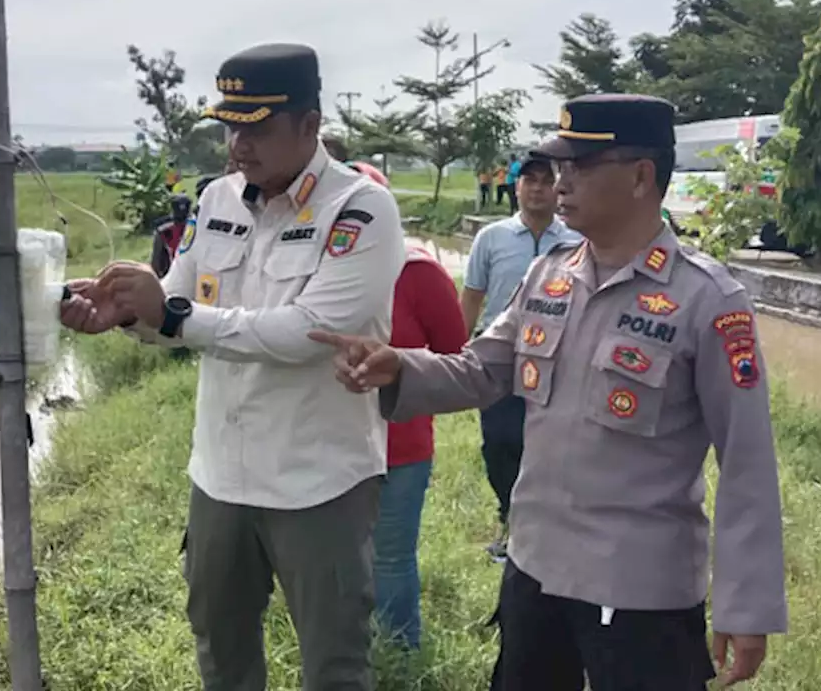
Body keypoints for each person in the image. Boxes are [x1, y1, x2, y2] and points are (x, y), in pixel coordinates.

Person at [311, 94, 788, 690]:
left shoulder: (707, 302)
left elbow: (746, 460)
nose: (561, 181)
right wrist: (400, 369)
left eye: (581, 166)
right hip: (534, 568)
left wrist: (748, 605)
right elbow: (484, 370)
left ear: (642, 176)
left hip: (638, 589)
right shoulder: (549, 275)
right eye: (559, 165)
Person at [60, 42, 406, 690]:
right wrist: (127, 313)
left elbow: (309, 331)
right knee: (222, 653)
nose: (238, 144)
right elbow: (177, 305)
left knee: (334, 665)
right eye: (229, 125)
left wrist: (170, 315)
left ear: (310, 125)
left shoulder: (359, 210)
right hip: (219, 478)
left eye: (258, 127)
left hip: (318, 485)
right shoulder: (217, 199)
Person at [460, 156, 580, 562]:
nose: (538, 188)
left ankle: (540, 531)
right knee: (498, 442)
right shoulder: (491, 238)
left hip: (556, 359)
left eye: (548, 181)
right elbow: (473, 296)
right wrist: (458, 352)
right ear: (517, 187)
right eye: (531, 180)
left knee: (547, 444)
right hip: (499, 358)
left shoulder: (575, 243)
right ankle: (511, 515)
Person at [374, 242, 467, 648]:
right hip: (318, 445)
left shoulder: (416, 273)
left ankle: (398, 656)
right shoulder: (311, 264)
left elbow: (454, 356)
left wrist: (398, 365)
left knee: (390, 558)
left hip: (399, 447)